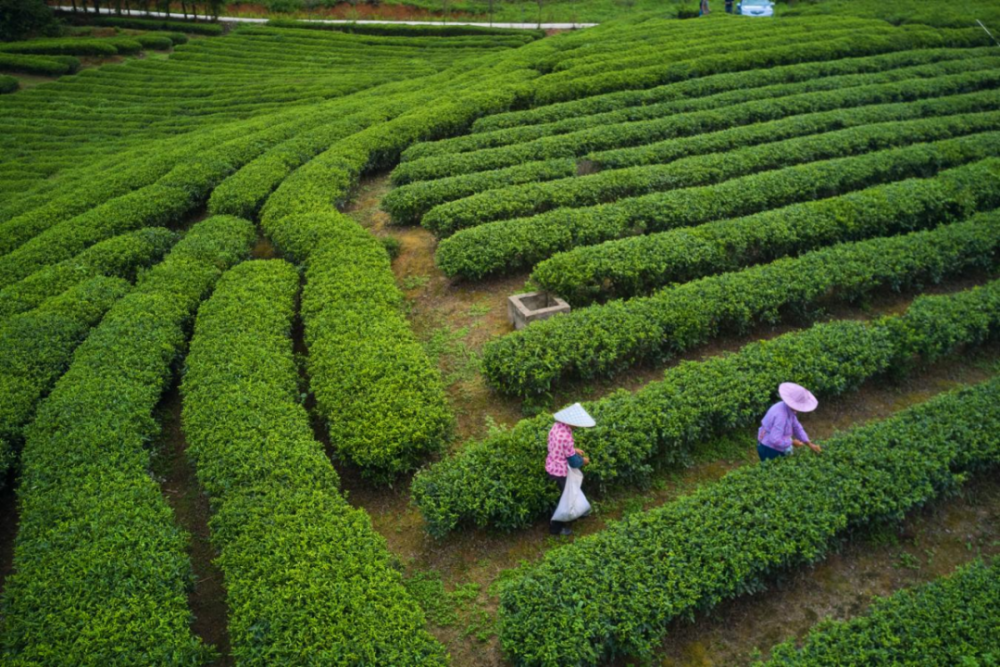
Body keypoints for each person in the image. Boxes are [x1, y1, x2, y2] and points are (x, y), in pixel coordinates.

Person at [546, 402, 594, 536]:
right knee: (565, 498)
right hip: (560, 472)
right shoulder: (567, 437)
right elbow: (573, 462)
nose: (578, 427)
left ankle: (581, 509)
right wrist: (583, 461)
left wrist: (573, 449)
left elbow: (559, 446)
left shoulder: (556, 426)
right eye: (577, 424)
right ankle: (555, 528)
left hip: (551, 464)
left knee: (573, 490)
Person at [757, 382, 823, 462]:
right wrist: (791, 442)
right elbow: (775, 440)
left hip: (776, 445)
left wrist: (809, 444)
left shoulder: (788, 409)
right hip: (769, 448)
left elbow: (797, 427)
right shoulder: (781, 416)